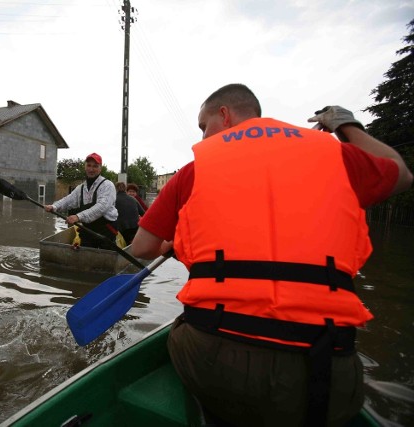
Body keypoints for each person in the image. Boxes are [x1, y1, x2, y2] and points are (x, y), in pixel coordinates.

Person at [131, 84, 413, 427]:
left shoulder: (197, 168)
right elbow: (400, 172)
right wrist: (344, 125)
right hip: (326, 363)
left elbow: (143, 247)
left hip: (218, 357)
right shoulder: (334, 156)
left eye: (204, 127)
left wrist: (177, 245)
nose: (203, 138)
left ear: (225, 115)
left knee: (188, 338)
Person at [45, 153, 118, 249]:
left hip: (106, 232)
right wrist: (54, 207)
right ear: (85, 167)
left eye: (95, 166)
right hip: (87, 230)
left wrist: (78, 216)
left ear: (100, 168)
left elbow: (102, 207)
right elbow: (68, 200)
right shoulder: (81, 188)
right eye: (89, 165)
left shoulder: (108, 185)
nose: (91, 169)